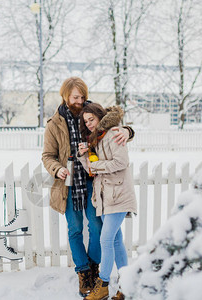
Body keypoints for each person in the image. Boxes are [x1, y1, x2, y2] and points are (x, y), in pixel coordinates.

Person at [42, 77, 134, 297]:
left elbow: (113, 125)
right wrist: (57, 169)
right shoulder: (53, 124)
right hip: (69, 183)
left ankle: (95, 267)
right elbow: (47, 156)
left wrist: (129, 131)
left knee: (97, 227)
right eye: (75, 97)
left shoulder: (92, 114)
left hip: (95, 182)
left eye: (82, 96)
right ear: (65, 95)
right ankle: (83, 272)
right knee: (75, 229)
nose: (80, 101)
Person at [77, 103, 137, 300]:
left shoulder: (112, 133)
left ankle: (102, 284)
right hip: (106, 197)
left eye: (91, 119)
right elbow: (92, 170)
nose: (89, 124)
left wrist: (96, 164)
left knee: (106, 239)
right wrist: (85, 156)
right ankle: (126, 286)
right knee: (117, 241)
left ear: (99, 116)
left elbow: (121, 162)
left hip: (119, 194)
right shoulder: (96, 139)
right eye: (86, 121)